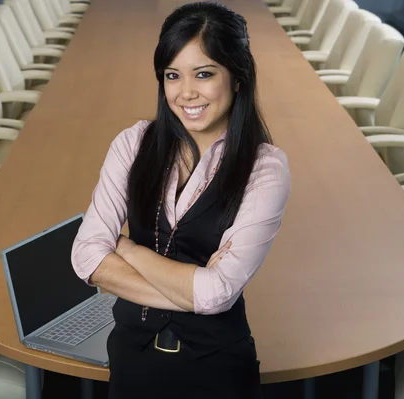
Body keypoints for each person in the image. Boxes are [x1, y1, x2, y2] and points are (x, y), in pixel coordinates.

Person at [71, 2, 291, 398]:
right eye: (173, 75)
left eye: (204, 74)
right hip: (131, 357)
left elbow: (219, 292)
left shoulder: (264, 169)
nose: (186, 92)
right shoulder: (133, 144)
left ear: (238, 77)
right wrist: (194, 295)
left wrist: (128, 250)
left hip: (215, 369)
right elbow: (86, 257)